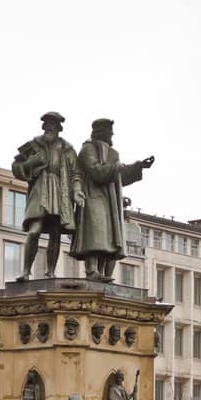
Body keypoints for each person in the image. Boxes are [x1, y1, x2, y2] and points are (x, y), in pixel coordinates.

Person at [74, 118, 154, 282]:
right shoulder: (87, 150)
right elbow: (97, 172)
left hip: (110, 200)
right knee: (95, 234)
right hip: (92, 197)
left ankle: (102, 273)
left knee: (108, 238)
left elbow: (119, 176)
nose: (112, 135)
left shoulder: (112, 152)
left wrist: (138, 166)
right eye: (110, 132)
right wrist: (116, 166)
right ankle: (91, 271)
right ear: (101, 132)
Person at [12, 110, 84, 280]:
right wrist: (30, 162)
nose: (50, 127)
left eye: (53, 124)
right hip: (40, 189)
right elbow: (17, 166)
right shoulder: (34, 144)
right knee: (34, 231)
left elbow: (76, 174)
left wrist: (77, 190)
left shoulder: (67, 148)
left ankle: (50, 271)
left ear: (59, 128)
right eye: (47, 124)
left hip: (60, 191)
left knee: (55, 232)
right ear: (44, 126)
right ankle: (26, 270)